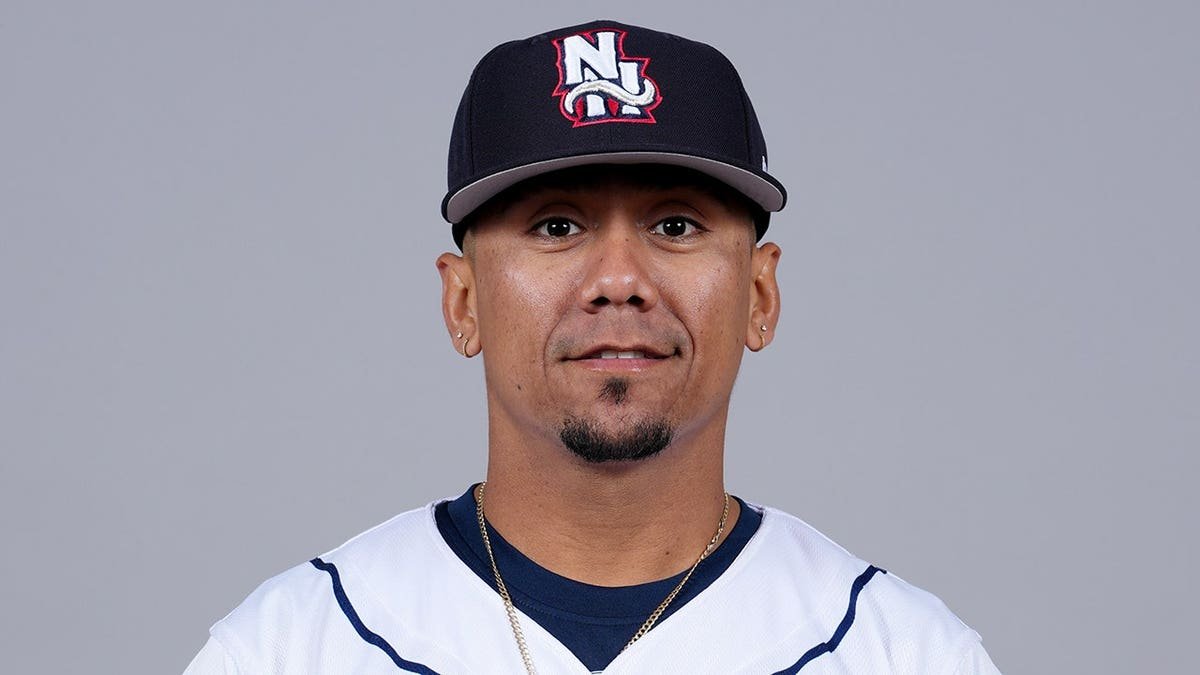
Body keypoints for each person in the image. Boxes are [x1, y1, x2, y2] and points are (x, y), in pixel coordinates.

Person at [185, 20, 1000, 674]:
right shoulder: (288, 649)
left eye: (675, 224)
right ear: (462, 300)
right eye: (557, 225)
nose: (618, 278)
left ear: (760, 295)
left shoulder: (907, 653)